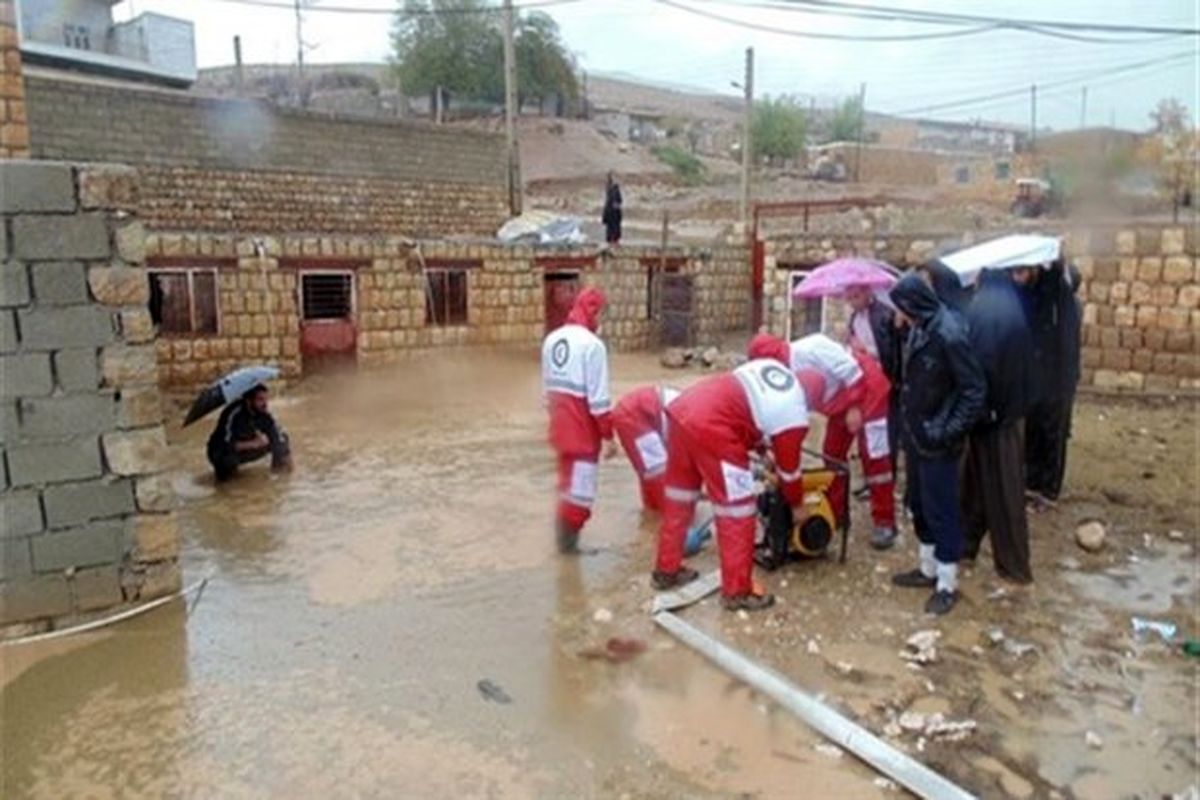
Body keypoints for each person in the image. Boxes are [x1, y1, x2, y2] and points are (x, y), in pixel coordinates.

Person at [653, 348, 810, 611]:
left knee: (680, 499)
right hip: (715, 427)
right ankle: (737, 592)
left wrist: (763, 452)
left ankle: (666, 571)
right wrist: (797, 505)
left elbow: (747, 411)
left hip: (684, 410)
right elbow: (790, 471)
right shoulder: (795, 411)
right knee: (738, 511)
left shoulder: (771, 373)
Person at [889, 273, 986, 616]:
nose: (897, 314)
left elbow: (973, 392)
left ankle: (947, 582)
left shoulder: (949, 333)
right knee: (920, 503)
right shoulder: (919, 328)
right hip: (918, 435)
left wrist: (947, 430)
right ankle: (927, 567)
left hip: (938, 438)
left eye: (900, 308)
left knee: (943, 508)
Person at [749, 332, 897, 550]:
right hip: (839, 400)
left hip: (867, 390)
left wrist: (856, 407)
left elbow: (853, 373)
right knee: (832, 455)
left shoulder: (813, 347)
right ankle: (835, 513)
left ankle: (885, 522)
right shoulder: (782, 374)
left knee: (875, 459)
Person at [962, 268, 1035, 584]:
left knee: (1003, 492)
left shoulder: (986, 308)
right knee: (975, 485)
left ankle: (1015, 567)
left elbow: (982, 364)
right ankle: (965, 545)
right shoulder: (1008, 302)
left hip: (995, 416)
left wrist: (982, 411)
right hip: (1005, 410)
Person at [541, 287, 616, 554]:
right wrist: (608, 436)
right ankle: (568, 552)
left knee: (566, 485)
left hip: (559, 428)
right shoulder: (593, 346)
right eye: (602, 313)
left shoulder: (552, 339)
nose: (602, 320)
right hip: (583, 433)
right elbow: (599, 400)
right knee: (581, 493)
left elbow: (546, 393)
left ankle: (562, 546)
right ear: (593, 311)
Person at [1024, 261, 1083, 507]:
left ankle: (1047, 489)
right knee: (1038, 432)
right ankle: (1034, 482)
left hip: (1057, 383)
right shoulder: (1053, 306)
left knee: (1052, 436)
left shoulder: (1063, 306)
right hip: (1045, 381)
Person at [612, 384, 680, 514]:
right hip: (636, 413)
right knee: (656, 469)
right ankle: (672, 518)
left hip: (640, 409)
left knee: (649, 470)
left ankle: (651, 512)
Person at [206, 384, 291, 482]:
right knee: (228, 462)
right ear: (248, 401)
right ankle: (225, 485)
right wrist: (253, 444)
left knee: (282, 441)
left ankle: (278, 477)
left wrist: (288, 474)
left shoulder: (264, 414)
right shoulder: (233, 414)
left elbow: (279, 437)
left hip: (247, 447)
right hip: (220, 451)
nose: (265, 404)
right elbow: (225, 445)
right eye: (260, 399)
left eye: (266, 399)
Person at [602, 172, 623, 245]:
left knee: (614, 229)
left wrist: (615, 205)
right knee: (611, 229)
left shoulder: (615, 189)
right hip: (610, 212)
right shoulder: (609, 189)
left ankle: (614, 241)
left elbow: (618, 201)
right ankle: (612, 241)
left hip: (614, 213)